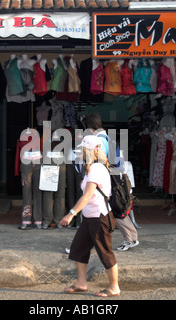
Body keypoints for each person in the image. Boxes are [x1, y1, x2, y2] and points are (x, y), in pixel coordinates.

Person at [60, 135, 120, 298]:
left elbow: (87, 196)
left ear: (89, 150)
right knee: (78, 248)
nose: (80, 152)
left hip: (99, 217)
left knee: (104, 252)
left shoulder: (96, 169)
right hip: (89, 217)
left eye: (82, 149)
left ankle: (114, 286)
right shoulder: (92, 167)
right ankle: (81, 282)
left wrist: (71, 214)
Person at [85, 112, 140, 250]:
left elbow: (100, 159)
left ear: (89, 126)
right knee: (114, 208)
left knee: (112, 208)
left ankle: (130, 238)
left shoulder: (98, 139)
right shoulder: (108, 137)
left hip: (109, 179)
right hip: (116, 176)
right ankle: (131, 237)